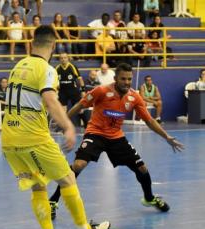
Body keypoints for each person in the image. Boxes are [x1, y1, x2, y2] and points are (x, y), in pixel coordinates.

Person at [1, 25, 110, 229]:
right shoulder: (48, 69)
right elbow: (50, 99)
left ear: (32, 43)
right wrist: (68, 126)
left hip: (9, 140)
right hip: (34, 138)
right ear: (52, 45)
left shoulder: (18, 66)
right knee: (67, 178)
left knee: (39, 186)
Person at [48, 63, 184, 220]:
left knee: (142, 168)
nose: (127, 82)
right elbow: (80, 105)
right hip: (96, 133)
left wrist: (166, 137)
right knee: (78, 165)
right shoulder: (101, 91)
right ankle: (53, 200)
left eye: (129, 79)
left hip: (116, 137)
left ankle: (149, 198)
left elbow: (149, 120)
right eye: (123, 79)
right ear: (115, 78)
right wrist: (63, 121)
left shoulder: (134, 97)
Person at [55, 52, 88, 127]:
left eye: (65, 58)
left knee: (79, 110)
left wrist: (83, 90)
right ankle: (63, 127)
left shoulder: (72, 66)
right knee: (62, 111)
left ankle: (86, 126)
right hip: (63, 92)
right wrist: (56, 91)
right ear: (59, 59)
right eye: (61, 58)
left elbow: (80, 79)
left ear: (68, 58)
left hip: (73, 91)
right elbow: (55, 81)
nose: (63, 59)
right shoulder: (57, 68)